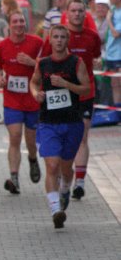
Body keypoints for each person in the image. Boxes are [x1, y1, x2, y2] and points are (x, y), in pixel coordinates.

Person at [30, 24, 90, 229]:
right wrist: (35, 94)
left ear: (67, 40)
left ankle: (65, 188)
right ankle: (56, 210)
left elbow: (86, 89)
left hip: (72, 123)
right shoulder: (43, 63)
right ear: (50, 39)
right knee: (52, 165)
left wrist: (66, 85)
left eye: (62, 37)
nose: (58, 40)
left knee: (66, 168)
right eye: (55, 37)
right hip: (48, 123)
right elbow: (34, 82)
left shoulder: (76, 62)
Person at [42, 0, 100, 200]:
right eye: (73, 11)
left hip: (84, 93)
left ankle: (80, 182)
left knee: (82, 136)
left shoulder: (92, 36)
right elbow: (42, 62)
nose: (77, 14)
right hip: (58, 96)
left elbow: (96, 56)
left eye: (80, 11)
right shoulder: (57, 35)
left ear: (85, 13)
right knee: (61, 140)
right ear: (66, 13)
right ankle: (62, 176)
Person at [0, 11, 42, 194]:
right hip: (12, 99)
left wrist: (32, 62)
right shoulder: (2, 46)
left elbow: (47, 65)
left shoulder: (36, 42)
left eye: (22, 21)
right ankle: (14, 178)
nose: (19, 24)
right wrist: (0, 79)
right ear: (9, 25)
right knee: (14, 137)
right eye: (15, 21)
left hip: (32, 99)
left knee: (31, 141)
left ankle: (32, 158)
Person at [105, 0, 121, 107]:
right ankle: (117, 109)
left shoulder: (115, 14)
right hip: (111, 53)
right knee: (114, 83)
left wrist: (109, 20)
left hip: (119, 53)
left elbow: (116, 33)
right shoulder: (113, 10)